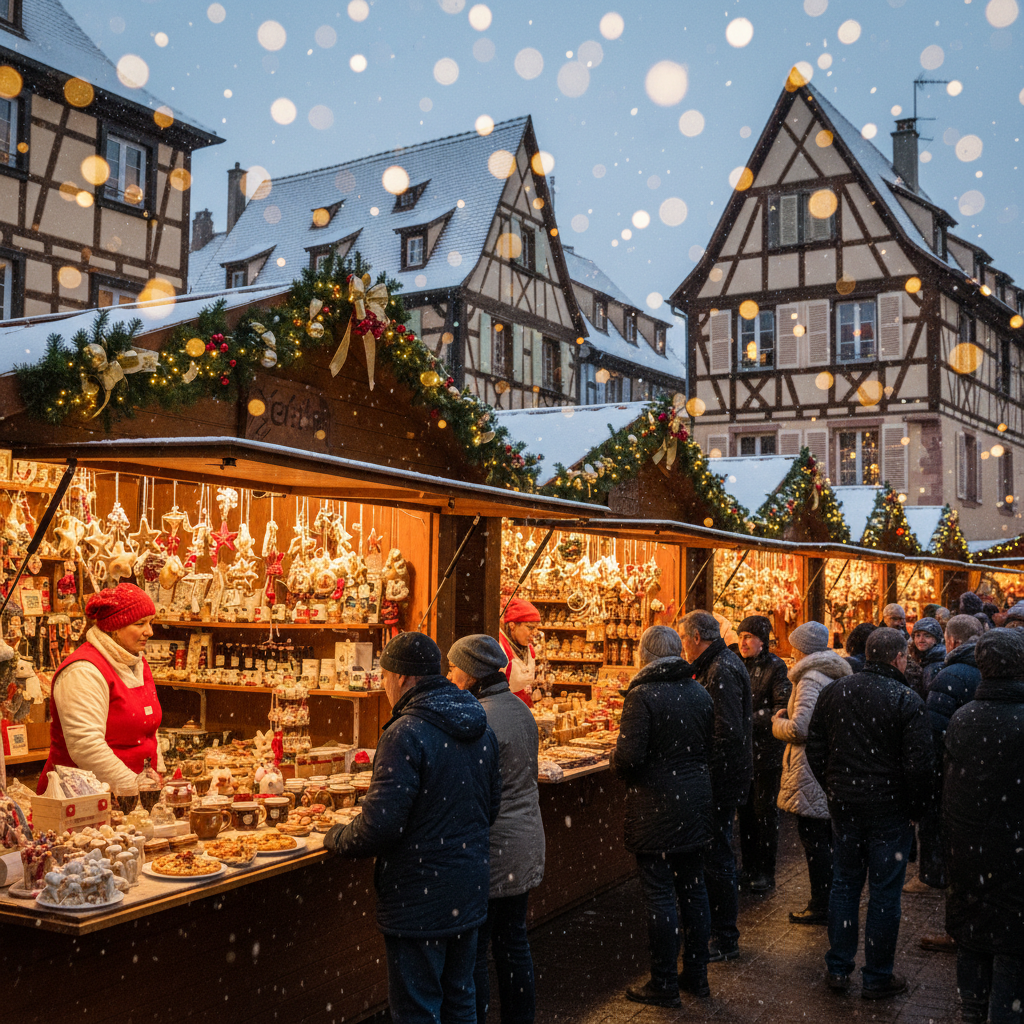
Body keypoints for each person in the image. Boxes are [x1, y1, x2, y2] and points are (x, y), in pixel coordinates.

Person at [324, 633, 501, 1024]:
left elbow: (380, 827)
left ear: (402, 678)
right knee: (460, 997)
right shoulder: (480, 727)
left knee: (417, 1007)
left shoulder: (405, 733)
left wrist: (336, 837)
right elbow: (490, 810)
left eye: (385, 676)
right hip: (468, 886)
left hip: (418, 896)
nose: (384, 685)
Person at [807, 627, 935, 999]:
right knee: (884, 891)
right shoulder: (905, 699)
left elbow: (815, 746)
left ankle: (838, 968)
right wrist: (915, 809)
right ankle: (877, 975)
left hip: (846, 806)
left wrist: (832, 785)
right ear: (899, 658)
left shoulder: (836, 692)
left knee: (845, 883)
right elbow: (920, 765)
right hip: (889, 810)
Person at [447, 634, 545, 1024]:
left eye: (454, 667)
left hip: (493, 847)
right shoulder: (519, 710)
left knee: (476, 951)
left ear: (471, 673)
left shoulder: (478, 717)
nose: (449, 675)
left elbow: (472, 790)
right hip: (522, 842)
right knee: (513, 942)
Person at [613, 626, 714, 1008]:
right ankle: (697, 975)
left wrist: (615, 763)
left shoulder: (642, 695)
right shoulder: (698, 690)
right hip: (695, 802)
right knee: (693, 889)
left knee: (659, 894)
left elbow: (629, 758)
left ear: (645, 655)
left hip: (656, 807)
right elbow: (708, 747)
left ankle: (664, 981)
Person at [943, 628, 1024, 1024]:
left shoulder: (965, 717)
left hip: (969, 847)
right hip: (1013, 851)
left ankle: (972, 1010)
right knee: (1012, 947)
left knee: (973, 935)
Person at [678, 609, 752, 964]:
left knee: (717, 855)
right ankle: (718, 931)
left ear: (695, 637)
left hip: (721, 780)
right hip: (724, 776)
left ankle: (724, 936)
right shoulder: (721, 662)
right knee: (716, 853)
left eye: (683, 640)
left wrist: (708, 774)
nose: (682, 648)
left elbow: (727, 732)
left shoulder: (721, 668)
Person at [38, 582, 161, 795]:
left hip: (136, 796)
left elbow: (149, 732)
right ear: (115, 626)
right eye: (140, 624)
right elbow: (86, 746)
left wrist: (156, 778)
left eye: (151, 623)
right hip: (81, 797)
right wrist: (135, 787)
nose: (149, 631)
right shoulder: (83, 671)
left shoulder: (136, 661)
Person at [909, 614, 983, 946]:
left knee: (943, 827)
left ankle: (935, 879)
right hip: (982, 770)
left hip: (954, 767)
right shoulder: (988, 670)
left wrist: (929, 765)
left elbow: (935, 729)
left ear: (950, 640)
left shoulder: (948, 675)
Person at [773, 621, 851, 925]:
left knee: (815, 841)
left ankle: (821, 904)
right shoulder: (831, 672)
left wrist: (777, 724)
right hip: (826, 764)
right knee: (825, 840)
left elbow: (801, 728)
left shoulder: (809, 678)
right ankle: (831, 901)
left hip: (809, 768)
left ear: (801, 648)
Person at [736, 615, 790, 893]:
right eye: (740, 635)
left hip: (766, 755)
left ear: (762, 641)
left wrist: (746, 719)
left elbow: (781, 709)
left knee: (764, 814)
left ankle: (765, 871)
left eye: (749, 637)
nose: (743, 642)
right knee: (745, 814)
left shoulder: (775, 667)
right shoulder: (735, 664)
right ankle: (748, 868)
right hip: (742, 755)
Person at [498, 598, 541, 707]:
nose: (534, 633)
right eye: (530, 628)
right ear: (512, 625)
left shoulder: (529, 648)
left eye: (536, 628)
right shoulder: (500, 648)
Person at [904, 617, 946, 701]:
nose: (921, 640)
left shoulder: (938, 663)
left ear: (936, 639)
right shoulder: (913, 658)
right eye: (918, 635)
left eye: (927, 636)